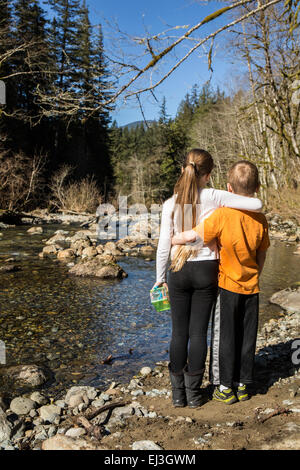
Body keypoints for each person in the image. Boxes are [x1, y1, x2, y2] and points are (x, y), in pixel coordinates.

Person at [152, 150, 263, 408]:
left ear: (183, 170)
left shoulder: (170, 203)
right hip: (206, 270)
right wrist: (197, 234)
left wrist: (159, 278)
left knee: (178, 333)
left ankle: (178, 395)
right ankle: (194, 396)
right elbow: (256, 205)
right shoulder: (214, 196)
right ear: (209, 175)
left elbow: (162, 246)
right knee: (199, 333)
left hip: (178, 270)